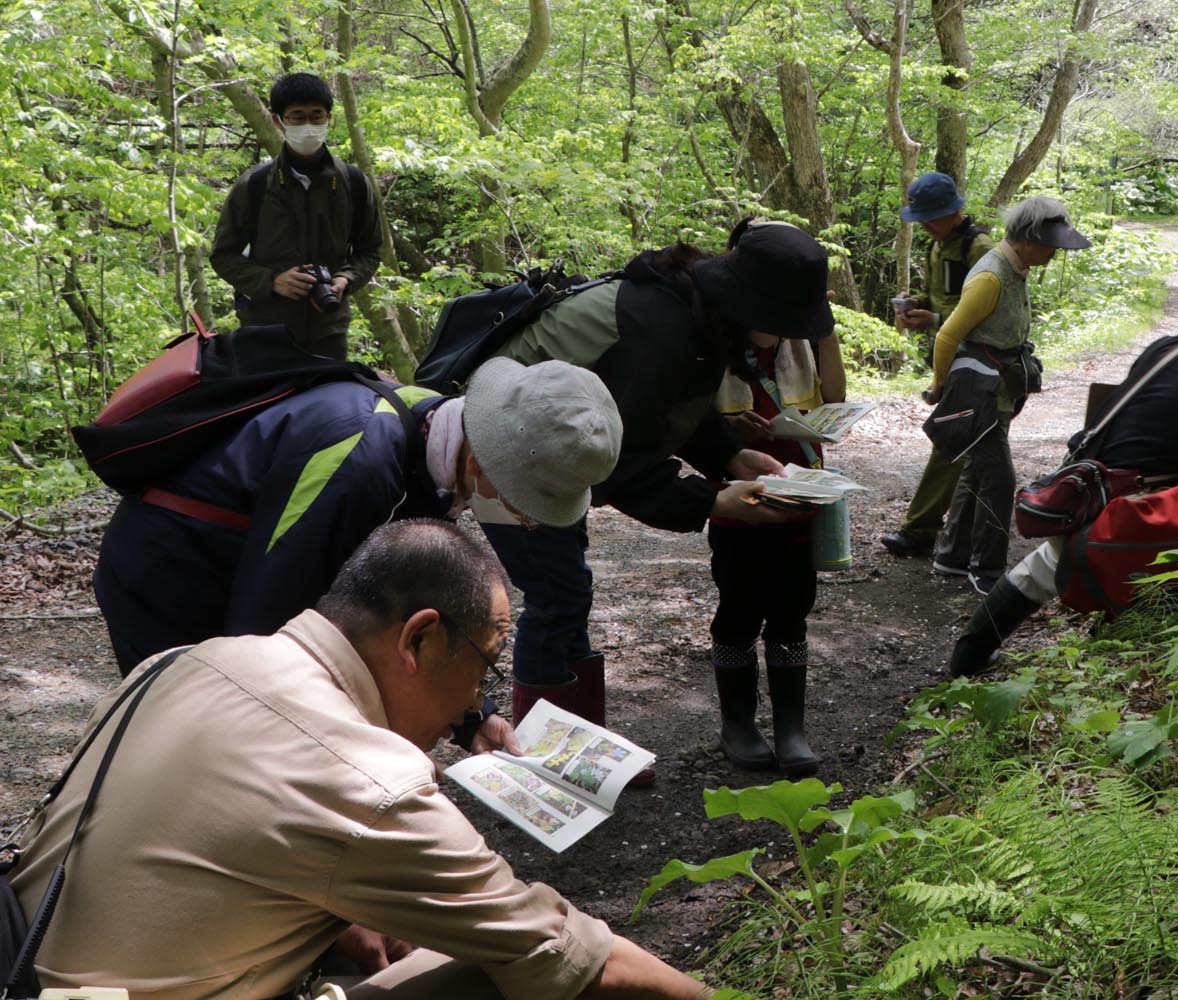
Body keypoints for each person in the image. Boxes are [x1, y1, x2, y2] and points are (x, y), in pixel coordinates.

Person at [12, 520, 712, 1000]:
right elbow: (570, 957)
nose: (477, 698)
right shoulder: (368, 782)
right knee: (490, 968)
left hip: (23, 972)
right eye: (485, 665)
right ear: (419, 640)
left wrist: (325, 904)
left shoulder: (179, 664)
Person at [92, 357, 621, 755]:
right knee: (202, 739)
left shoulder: (434, 434)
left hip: (243, 575)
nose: (526, 518)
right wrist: (360, 753)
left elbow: (406, 603)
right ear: (483, 463)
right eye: (526, 500)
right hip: (172, 578)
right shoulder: (360, 463)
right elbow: (269, 631)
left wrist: (470, 716)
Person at [479, 224, 833, 767]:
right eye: (785, 325)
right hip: (498, 441)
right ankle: (549, 765)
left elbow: (675, 410)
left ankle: (583, 754)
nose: (788, 338)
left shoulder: (699, 313)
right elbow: (617, 461)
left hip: (557, 445)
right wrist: (712, 502)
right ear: (754, 307)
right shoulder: (660, 328)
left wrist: (731, 457)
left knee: (569, 592)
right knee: (556, 598)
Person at [947, 288, 1178, 677]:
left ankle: (968, 654)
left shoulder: (1171, 347)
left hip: (1084, 490)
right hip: (1133, 517)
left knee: (1046, 564)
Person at [706, 219, 847, 776]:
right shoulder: (711, 337)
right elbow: (688, 422)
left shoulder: (798, 335)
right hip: (739, 500)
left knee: (791, 610)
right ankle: (738, 723)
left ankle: (792, 727)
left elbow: (833, 397)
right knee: (738, 610)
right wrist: (729, 433)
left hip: (800, 494)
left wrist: (822, 326)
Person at [926, 196, 1091, 595]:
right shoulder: (991, 276)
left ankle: (952, 555)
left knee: (976, 470)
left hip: (998, 387)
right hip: (978, 390)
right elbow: (947, 336)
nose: (1054, 253)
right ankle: (987, 570)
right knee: (1000, 479)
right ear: (1029, 240)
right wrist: (940, 385)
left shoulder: (1016, 267)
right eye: (1051, 245)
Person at [210, 72, 381, 359]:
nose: (308, 126)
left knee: (330, 390)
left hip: (329, 331)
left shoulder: (353, 183)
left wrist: (345, 280)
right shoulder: (255, 184)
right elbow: (223, 256)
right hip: (265, 331)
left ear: (329, 118)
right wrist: (272, 281)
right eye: (297, 117)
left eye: (316, 116)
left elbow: (371, 250)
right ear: (279, 121)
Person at [880, 172, 995, 560]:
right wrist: (916, 305)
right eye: (921, 219)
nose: (925, 226)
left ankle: (920, 530)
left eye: (931, 218)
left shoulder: (980, 249)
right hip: (950, 360)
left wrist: (935, 319)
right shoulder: (937, 246)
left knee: (951, 440)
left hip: (980, 361)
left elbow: (989, 314)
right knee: (972, 447)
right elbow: (939, 298)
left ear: (953, 211)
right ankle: (968, 533)